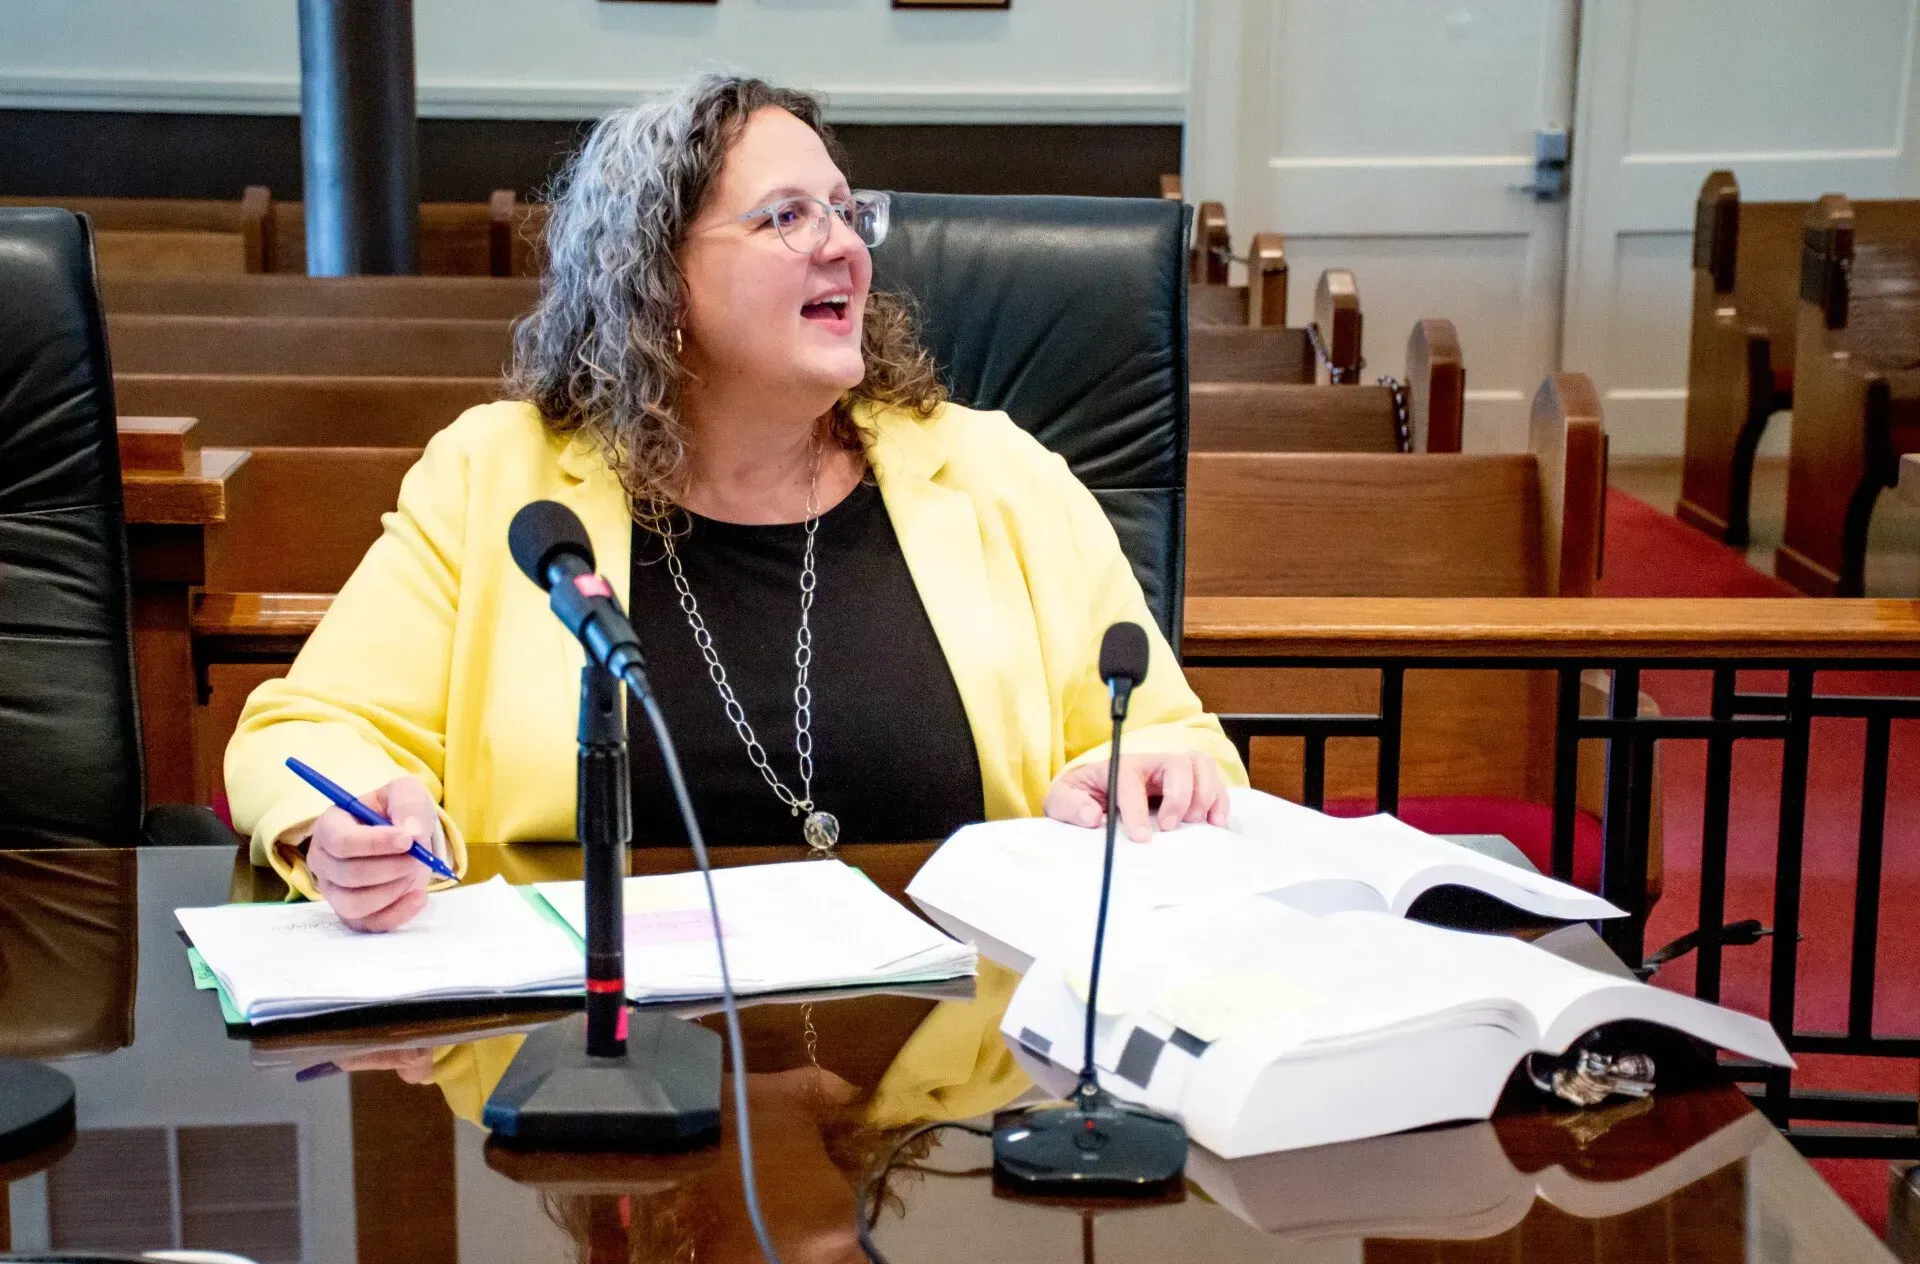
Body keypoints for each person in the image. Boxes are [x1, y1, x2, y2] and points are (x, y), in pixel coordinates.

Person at [224, 71, 1245, 931]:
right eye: (789, 216)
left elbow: (1170, 738)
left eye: (849, 212)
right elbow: (302, 728)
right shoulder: (500, 478)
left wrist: (1150, 779)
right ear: (657, 280)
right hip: (593, 1065)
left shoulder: (995, 477)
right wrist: (349, 821)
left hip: (940, 1087)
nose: (846, 244)